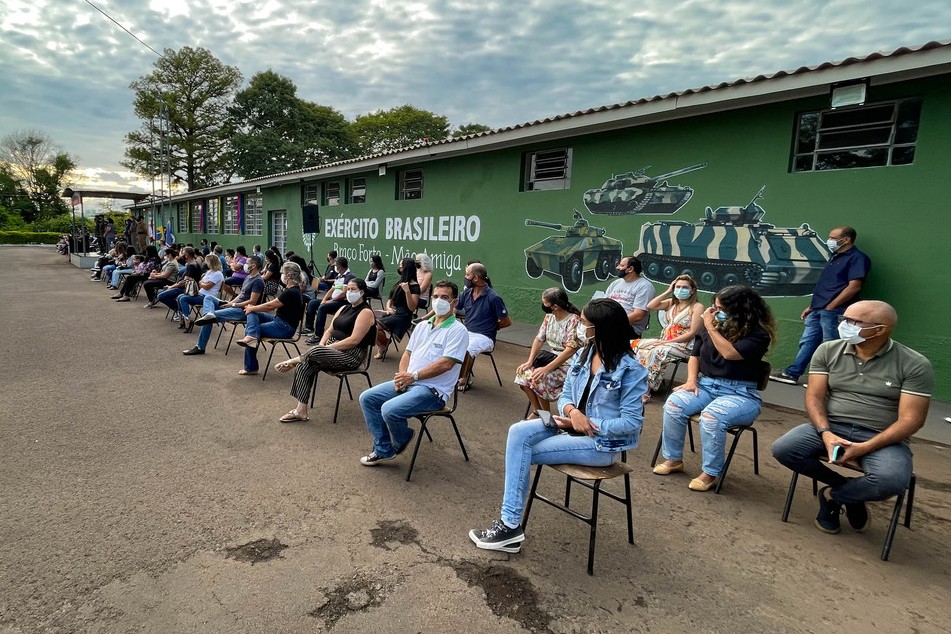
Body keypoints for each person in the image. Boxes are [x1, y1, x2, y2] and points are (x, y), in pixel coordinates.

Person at [469, 298, 648, 552]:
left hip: (600, 445)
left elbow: (631, 423)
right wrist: (572, 413)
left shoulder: (631, 370)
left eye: (584, 323)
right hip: (570, 425)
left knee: (522, 451)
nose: (580, 328)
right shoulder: (585, 355)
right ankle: (510, 526)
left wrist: (587, 422)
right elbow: (564, 397)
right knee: (517, 431)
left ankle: (509, 525)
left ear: (600, 328)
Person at [771, 300, 932, 535]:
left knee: (892, 481)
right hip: (831, 426)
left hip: (882, 437)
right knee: (784, 449)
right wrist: (825, 433)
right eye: (844, 319)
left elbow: (912, 420)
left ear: (880, 329)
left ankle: (835, 496)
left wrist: (865, 447)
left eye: (854, 321)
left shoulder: (914, 363)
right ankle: (845, 488)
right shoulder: (828, 350)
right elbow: (814, 397)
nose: (844, 325)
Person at [653, 285, 775, 492]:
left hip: (740, 393)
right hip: (706, 385)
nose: (716, 312)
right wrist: (691, 380)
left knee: (712, 417)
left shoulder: (758, 334)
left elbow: (730, 353)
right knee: (673, 405)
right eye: (715, 307)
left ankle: (710, 473)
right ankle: (673, 459)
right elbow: (695, 355)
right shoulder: (712, 326)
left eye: (721, 309)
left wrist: (710, 327)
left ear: (740, 310)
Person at [358, 280, 468, 466]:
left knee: (389, 410)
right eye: (436, 297)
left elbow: (446, 364)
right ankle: (383, 449)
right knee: (367, 398)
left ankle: (402, 438)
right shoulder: (423, 325)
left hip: (433, 391)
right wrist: (402, 376)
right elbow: (407, 354)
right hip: (410, 382)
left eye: (445, 297)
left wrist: (413, 376)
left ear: (454, 302)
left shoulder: (458, 330)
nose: (439, 301)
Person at [773, 226, 871, 385]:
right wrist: (812, 306)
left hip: (834, 310)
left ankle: (828, 381)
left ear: (846, 239)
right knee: (807, 342)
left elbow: (854, 286)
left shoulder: (857, 258)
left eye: (833, 238)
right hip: (818, 308)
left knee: (830, 346)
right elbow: (826, 285)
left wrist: (831, 306)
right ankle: (792, 374)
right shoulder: (835, 257)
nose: (829, 241)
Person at [274, 278, 376, 423]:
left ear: (362, 292)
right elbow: (329, 330)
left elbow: (354, 340)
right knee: (304, 365)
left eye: (353, 289)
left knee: (314, 352)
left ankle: (293, 360)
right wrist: (322, 346)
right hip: (329, 350)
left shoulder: (365, 312)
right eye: (348, 289)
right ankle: (301, 411)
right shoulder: (343, 308)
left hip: (351, 355)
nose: (349, 292)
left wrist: (323, 349)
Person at [514, 287, 582, 417]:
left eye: (545, 303)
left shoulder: (573, 320)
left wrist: (546, 369)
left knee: (539, 378)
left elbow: (570, 350)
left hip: (568, 362)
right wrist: (529, 361)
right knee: (523, 374)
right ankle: (538, 411)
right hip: (551, 356)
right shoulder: (549, 317)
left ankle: (546, 415)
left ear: (555, 306)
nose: (543, 305)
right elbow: (539, 339)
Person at [634, 275, 704, 398]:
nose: (680, 289)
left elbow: (692, 333)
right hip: (664, 342)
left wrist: (666, 343)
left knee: (656, 352)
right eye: (678, 287)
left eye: (684, 287)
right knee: (634, 345)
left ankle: (646, 392)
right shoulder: (671, 302)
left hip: (684, 346)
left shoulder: (697, 307)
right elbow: (650, 306)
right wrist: (668, 291)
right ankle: (636, 384)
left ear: (692, 290)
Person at [234, 262, 305, 376]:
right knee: (253, 314)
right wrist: (252, 308)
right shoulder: (292, 290)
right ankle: (251, 337)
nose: (281, 275)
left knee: (252, 328)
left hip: (284, 328)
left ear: (289, 276)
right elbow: (270, 305)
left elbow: (270, 306)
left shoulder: (291, 292)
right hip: (279, 321)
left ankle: (250, 366)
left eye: (283, 273)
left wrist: (252, 308)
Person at [185, 255, 265, 355]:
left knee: (208, 319)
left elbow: (252, 302)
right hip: (235, 305)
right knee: (208, 298)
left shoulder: (258, 281)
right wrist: (230, 303)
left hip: (242, 311)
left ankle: (200, 347)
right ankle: (209, 314)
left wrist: (234, 304)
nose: (244, 265)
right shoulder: (248, 277)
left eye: (247, 263)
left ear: (253, 266)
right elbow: (241, 294)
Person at [456, 262, 511, 390]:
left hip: (486, 337)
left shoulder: (494, 297)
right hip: (467, 332)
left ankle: (464, 378)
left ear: (475, 278)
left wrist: (492, 327)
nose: (465, 277)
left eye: (467, 275)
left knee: (469, 348)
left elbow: (507, 322)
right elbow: (455, 309)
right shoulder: (466, 293)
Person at [374, 258, 421, 359]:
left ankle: (382, 345)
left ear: (406, 268)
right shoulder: (399, 282)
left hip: (403, 316)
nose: (399, 268)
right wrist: (388, 308)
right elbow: (390, 299)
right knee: (369, 322)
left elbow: (412, 308)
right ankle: (384, 342)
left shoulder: (415, 287)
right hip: (393, 313)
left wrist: (407, 291)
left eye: (401, 266)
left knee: (375, 326)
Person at [302, 256, 355, 340]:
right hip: (333, 300)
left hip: (342, 302)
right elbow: (331, 290)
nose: (334, 267)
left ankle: (318, 335)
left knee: (322, 307)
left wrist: (330, 301)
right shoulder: (338, 276)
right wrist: (324, 299)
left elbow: (344, 294)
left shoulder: (349, 277)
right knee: (312, 303)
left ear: (340, 267)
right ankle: (309, 327)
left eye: (335, 265)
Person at [604, 255, 656, 337]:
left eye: (621, 266)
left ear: (630, 269)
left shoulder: (645, 286)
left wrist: (612, 322)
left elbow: (638, 315)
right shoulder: (616, 283)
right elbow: (603, 304)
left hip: (629, 329)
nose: (617, 267)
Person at [177, 253, 224, 331]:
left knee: (183, 299)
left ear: (212, 263)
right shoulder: (210, 272)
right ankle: (183, 319)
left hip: (207, 297)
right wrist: (203, 283)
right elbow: (201, 281)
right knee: (179, 297)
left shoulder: (218, 274)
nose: (206, 263)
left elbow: (207, 286)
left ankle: (187, 320)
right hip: (201, 294)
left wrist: (203, 283)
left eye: (207, 262)